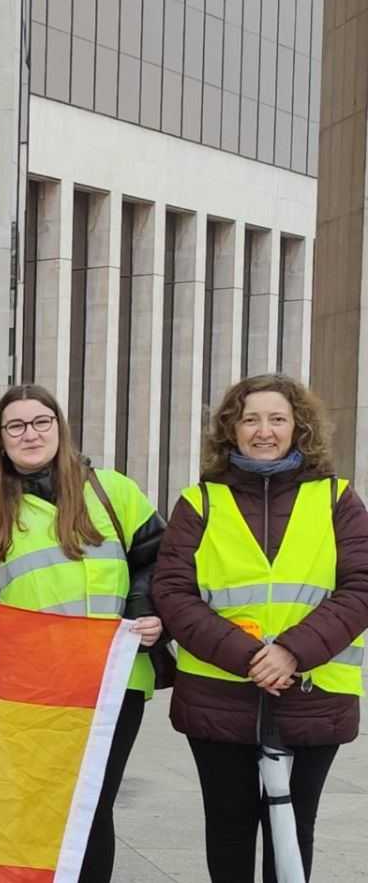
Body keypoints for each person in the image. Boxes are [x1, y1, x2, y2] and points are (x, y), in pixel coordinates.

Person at [153, 373, 368, 883]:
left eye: (277, 418)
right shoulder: (199, 503)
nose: (263, 430)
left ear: (299, 427)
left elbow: (360, 585)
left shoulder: (338, 500)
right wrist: (252, 657)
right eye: (250, 419)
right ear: (232, 429)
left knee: (293, 831)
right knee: (227, 830)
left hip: (312, 693)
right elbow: (173, 593)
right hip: (219, 695)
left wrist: (292, 652)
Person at [0, 385, 165, 883]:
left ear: (60, 428)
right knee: (41, 808)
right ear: (0, 441)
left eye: (41, 422)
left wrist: (146, 612)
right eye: (16, 426)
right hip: (33, 691)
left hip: (114, 681)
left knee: (92, 805)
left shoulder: (113, 490)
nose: (31, 434)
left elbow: (159, 563)